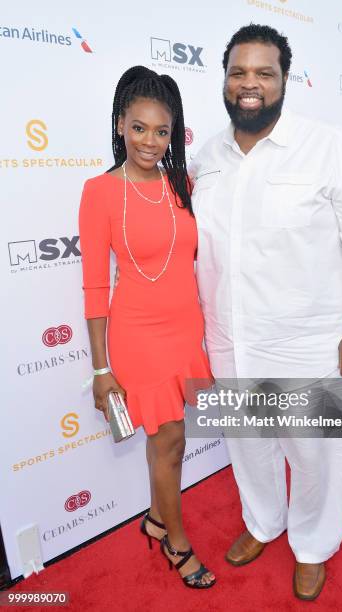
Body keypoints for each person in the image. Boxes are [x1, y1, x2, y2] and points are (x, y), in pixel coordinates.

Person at [190, 24, 342, 600]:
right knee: (248, 444)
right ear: (225, 80)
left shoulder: (328, 148)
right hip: (232, 340)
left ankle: (313, 543)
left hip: (310, 343)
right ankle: (263, 522)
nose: (249, 84)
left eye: (264, 73)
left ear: (285, 79)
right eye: (238, 72)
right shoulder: (208, 155)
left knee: (317, 454)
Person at [79, 66, 216, 589]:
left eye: (162, 131)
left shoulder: (181, 183)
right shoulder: (99, 192)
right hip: (138, 336)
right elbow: (95, 287)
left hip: (186, 332)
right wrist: (100, 367)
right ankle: (175, 541)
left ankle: (157, 518)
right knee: (170, 440)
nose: (150, 142)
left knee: (173, 442)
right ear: (119, 125)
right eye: (139, 128)